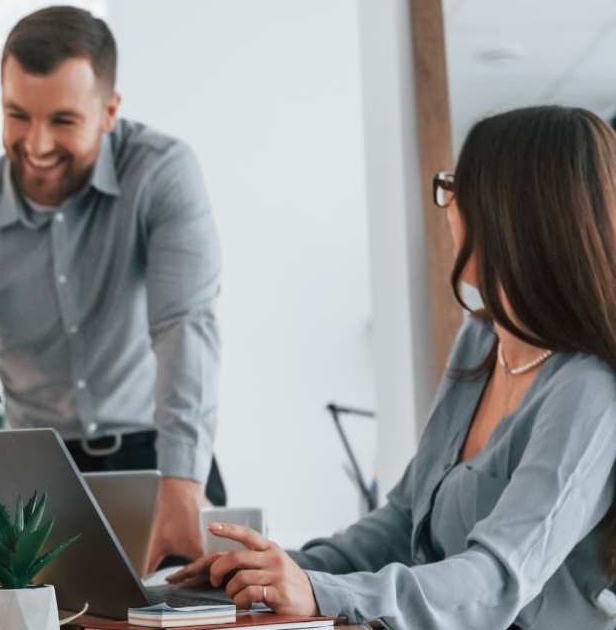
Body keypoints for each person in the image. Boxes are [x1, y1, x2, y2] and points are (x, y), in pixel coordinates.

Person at [166, 106, 616, 629]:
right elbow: (405, 517)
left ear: (509, 213)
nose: (447, 205)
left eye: (455, 187)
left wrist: (320, 590)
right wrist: (277, 568)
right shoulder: (480, 342)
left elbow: (498, 578)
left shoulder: (587, 389)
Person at [0, 5, 222, 572]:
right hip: (36, 479)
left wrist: (181, 481)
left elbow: (183, 326)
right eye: (17, 115)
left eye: (63, 121)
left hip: (162, 461)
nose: (36, 144)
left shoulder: (161, 173)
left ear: (109, 111)